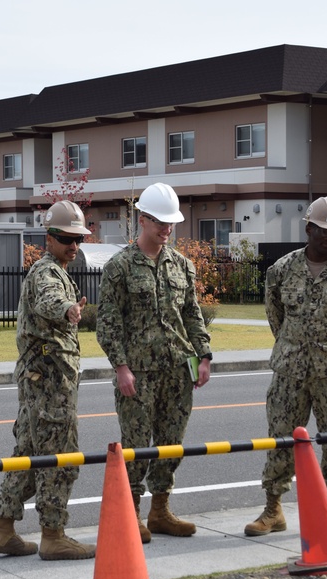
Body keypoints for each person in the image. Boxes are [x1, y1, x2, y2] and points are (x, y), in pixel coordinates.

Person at [245, 196, 327, 540]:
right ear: (308, 228)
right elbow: (276, 317)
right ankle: (273, 510)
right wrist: (293, 345)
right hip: (289, 371)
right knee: (281, 440)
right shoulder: (281, 271)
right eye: (323, 230)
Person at [96, 182, 212, 543]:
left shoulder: (182, 266)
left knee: (171, 442)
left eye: (171, 223)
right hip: (139, 373)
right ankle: (131, 512)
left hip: (178, 369)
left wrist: (204, 355)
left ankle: (160, 510)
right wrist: (121, 367)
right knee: (136, 446)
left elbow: (192, 315)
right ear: (142, 220)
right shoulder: (119, 267)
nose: (167, 229)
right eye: (160, 222)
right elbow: (108, 323)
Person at [0, 200, 96, 561]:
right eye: (66, 238)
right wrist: (69, 309)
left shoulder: (53, 269)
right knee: (61, 457)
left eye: (78, 239)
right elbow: (51, 301)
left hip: (41, 384)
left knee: (28, 455)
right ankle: (54, 534)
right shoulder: (47, 273)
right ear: (49, 238)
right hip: (50, 387)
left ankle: (3, 529)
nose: (74, 246)